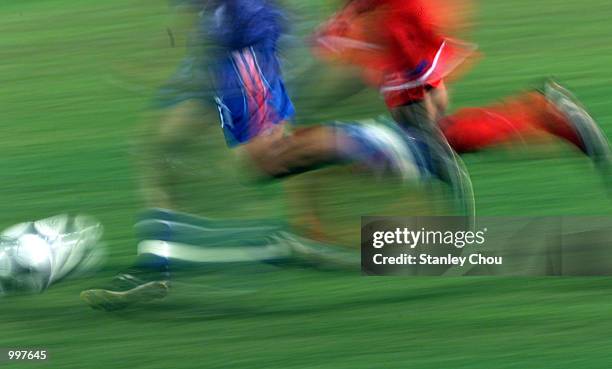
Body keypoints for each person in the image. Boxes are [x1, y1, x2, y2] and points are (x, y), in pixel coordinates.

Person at [80, 0, 464, 311]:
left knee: (266, 159)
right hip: (221, 37)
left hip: (244, 34)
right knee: (162, 143)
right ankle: (154, 267)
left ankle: (406, 148)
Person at [313, 0, 612, 172]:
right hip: (395, 18)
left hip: (399, 17)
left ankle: (541, 115)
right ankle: (542, 116)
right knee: (422, 136)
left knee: (422, 139)